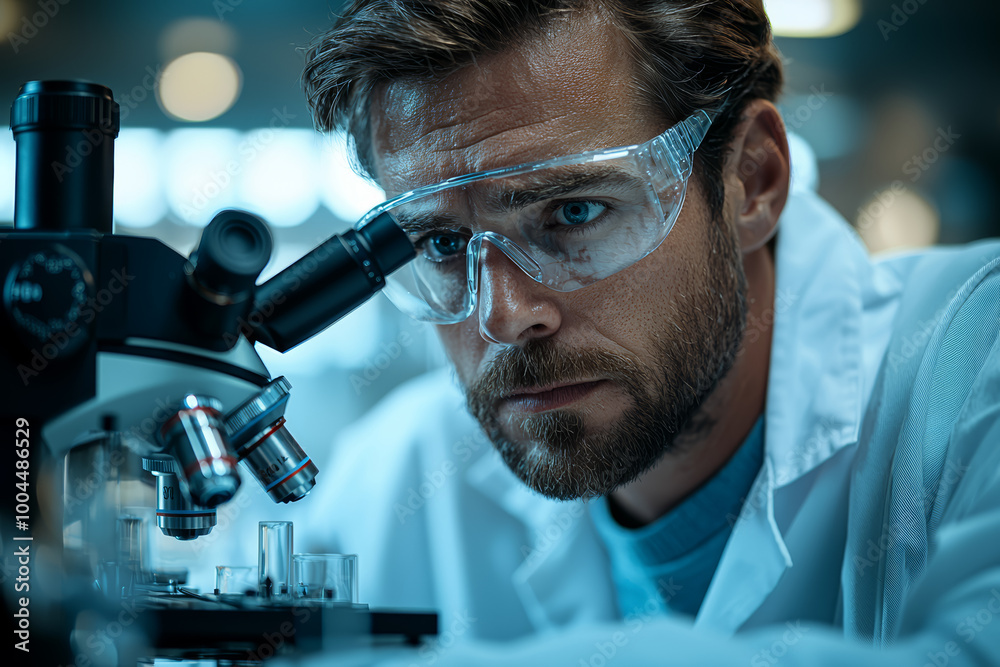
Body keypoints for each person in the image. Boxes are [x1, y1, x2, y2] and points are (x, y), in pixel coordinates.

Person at [291, 0, 1000, 663]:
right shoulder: (393, 488)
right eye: (443, 245)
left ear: (751, 179)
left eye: (573, 213)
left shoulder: (974, 361)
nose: (503, 316)